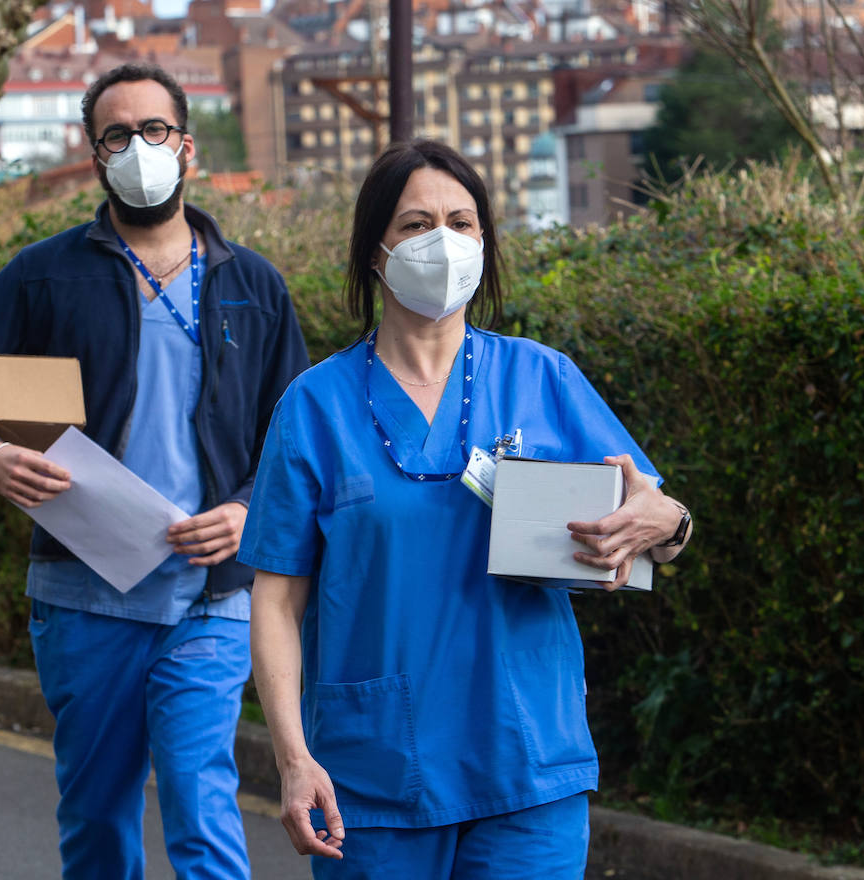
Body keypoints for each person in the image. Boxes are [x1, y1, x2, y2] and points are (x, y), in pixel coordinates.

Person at [237, 140, 693, 879]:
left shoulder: (542, 377)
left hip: (526, 764)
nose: (442, 241)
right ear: (375, 250)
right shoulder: (314, 408)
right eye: (416, 223)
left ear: (485, 241)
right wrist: (292, 758)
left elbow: (652, 525)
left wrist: (668, 524)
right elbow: (277, 601)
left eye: (462, 221)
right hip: (375, 775)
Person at [0, 63, 309, 880]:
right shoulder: (44, 273)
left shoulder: (253, 284)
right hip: (84, 598)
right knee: (98, 817)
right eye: (116, 135)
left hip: (212, 595)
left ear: (187, 147)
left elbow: (295, 442)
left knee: (202, 804)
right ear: (95, 155)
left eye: (153, 130)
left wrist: (247, 509)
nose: (136, 147)